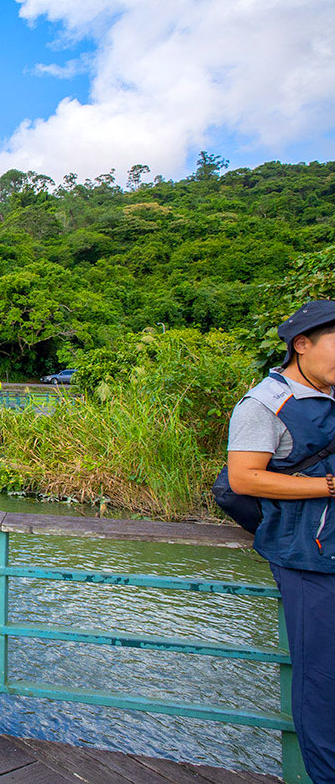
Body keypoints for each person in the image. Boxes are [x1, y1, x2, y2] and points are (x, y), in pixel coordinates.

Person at [226, 300, 335, 782]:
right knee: (322, 684)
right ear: (302, 345)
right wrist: (327, 487)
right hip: (308, 561)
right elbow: (244, 478)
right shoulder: (265, 404)